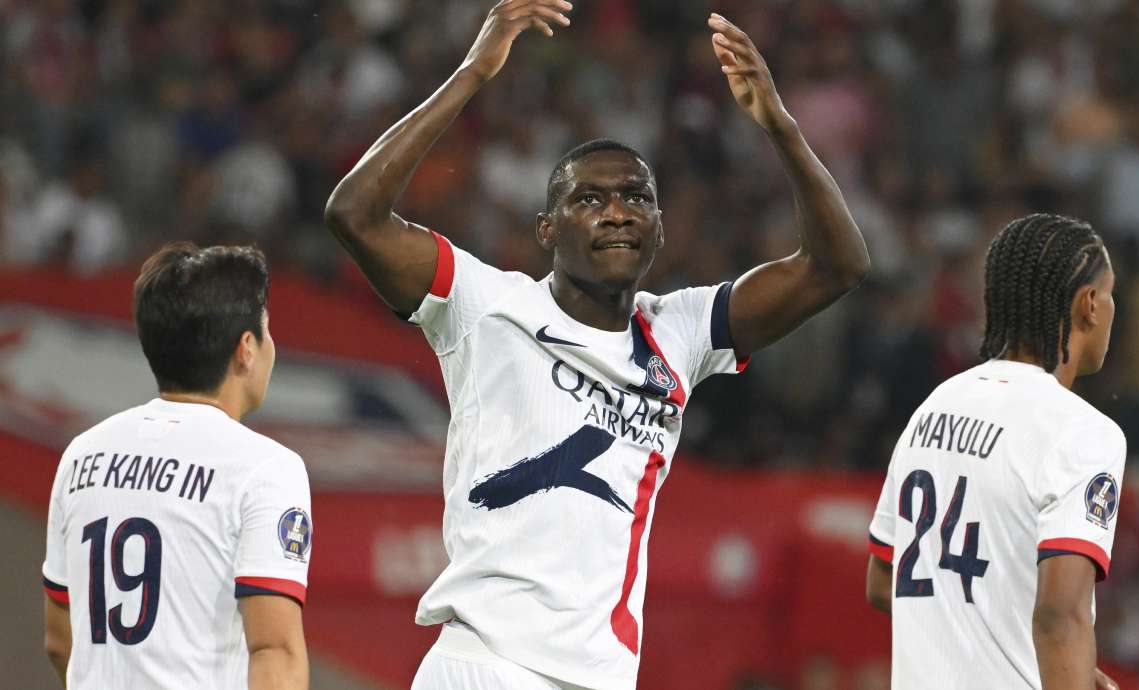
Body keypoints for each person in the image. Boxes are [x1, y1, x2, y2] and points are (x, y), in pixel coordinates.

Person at [324, 1, 869, 688]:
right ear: (546, 230)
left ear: (660, 228)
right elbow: (354, 214)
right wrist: (471, 73)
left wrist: (780, 127)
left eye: (636, 198)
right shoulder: (486, 305)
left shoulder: (680, 329)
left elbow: (837, 266)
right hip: (486, 667)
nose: (617, 211)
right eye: (589, 199)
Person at [864, 214, 1123, 690]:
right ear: (1090, 304)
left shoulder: (935, 406)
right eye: (1110, 295)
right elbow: (1059, 618)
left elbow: (883, 582)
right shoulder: (1084, 431)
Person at [41, 243, 312, 690]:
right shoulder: (267, 469)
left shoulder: (81, 456)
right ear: (246, 349)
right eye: (266, 329)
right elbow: (275, 651)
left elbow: (58, 640)